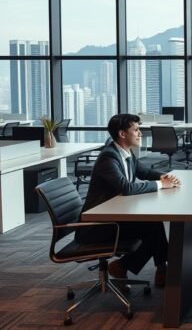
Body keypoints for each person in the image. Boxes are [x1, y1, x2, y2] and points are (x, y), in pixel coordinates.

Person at [76, 113, 181, 288]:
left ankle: (156, 268)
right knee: (152, 229)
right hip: (97, 225)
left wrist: (163, 176)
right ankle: (138, 267)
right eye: (136, 130)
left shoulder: (126, 153)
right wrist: (161, 185)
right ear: (122, 134)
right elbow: (126, 188)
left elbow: (144, 172)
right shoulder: (108, 157)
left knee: (154, 225)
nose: (140, 134)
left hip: (113, 216)